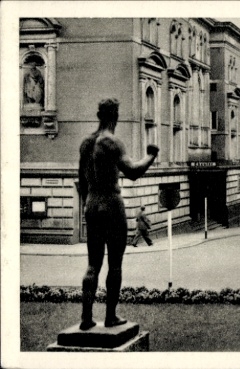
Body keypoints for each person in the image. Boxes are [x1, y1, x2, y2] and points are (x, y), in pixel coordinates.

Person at [78, 98, 159, 330]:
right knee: (115, 265)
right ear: (116, 115)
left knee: (92, 265)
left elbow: (81, 180)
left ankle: (86, 319)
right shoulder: (112, 142)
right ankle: (110, 317)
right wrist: (150, 156)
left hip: (92, 203)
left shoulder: (86, 143)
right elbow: (133, 172)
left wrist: (87, 204)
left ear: (98, 114)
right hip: (111, 203)